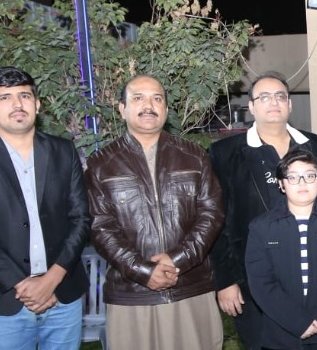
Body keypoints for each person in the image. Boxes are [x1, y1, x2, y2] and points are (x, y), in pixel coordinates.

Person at [0, 66, 92, 349]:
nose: (17, 104)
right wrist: (23, 286)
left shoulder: (63, 150)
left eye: (25, 96)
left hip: (63, 294)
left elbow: (80, 219)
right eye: (5, 97)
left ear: (37, 104)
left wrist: (52, 279)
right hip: (5, 298)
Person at [85, 74, 224, 350]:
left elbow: (212, 214)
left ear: (166, 110)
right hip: (131, 292)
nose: (148, 105)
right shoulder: (101, 164)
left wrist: (176, 259)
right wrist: (143, 270)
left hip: (189, 285)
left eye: (156, 98)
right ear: (122, 109)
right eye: (138, 98)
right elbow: (100, 228)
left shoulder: (194, 156)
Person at [209, 70, 317, 349]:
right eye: (264, 97)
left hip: (312, 273)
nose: (273, 102)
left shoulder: (316, 146)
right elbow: (216, 220)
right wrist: (225, 281)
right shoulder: (225, 153)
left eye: (280, 96)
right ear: (251, 106)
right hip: (253, 279)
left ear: (290, 104)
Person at [245, 149, 317, 349]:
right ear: (281, 184)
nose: (302, 183)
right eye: (293, 177)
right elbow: (260, 282)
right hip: (281, 332)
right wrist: (297, 322)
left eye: (309, 176)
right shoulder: (261, 227)